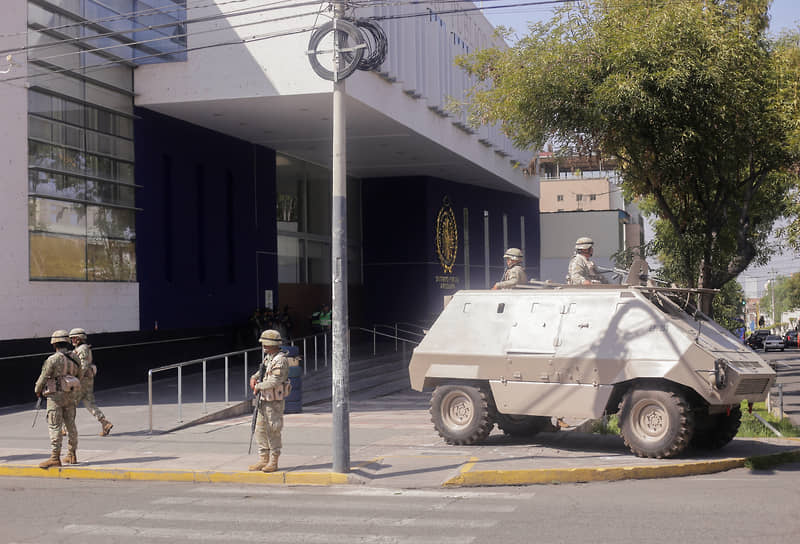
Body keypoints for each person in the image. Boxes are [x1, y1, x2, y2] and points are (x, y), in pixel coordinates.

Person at [34, 330, 82, 468]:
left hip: (55, 397)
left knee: (55, 426)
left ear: (54, 343)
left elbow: (43, 377)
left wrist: (38, 390)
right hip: (71, 395)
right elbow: (80, 375)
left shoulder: (53, 359)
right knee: (71, 425)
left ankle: (55, 457)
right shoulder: (76, 358)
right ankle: (72, 454)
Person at [248, 329, 291, 473]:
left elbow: (275, 380)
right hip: (263, 400)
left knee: (273, 429)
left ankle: (273, 461)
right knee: (260, 429)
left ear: (273, 344)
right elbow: (262, 371)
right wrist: (254, 377)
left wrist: (258, 386)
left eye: (266, 344)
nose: (264, 347)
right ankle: (263, 459)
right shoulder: (269, 358)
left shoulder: (281, 360)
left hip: (274, 402)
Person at [68, 328, 113, 436]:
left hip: (81, 380)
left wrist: (76, 379)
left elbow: (83, 365)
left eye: (74, 338)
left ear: (79, 339)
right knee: (89, 403)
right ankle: (104, 422)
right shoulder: (83, 348)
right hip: (87, 379)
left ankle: (67, 428)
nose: (72, 340)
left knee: (70, 404)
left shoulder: (82, 349)